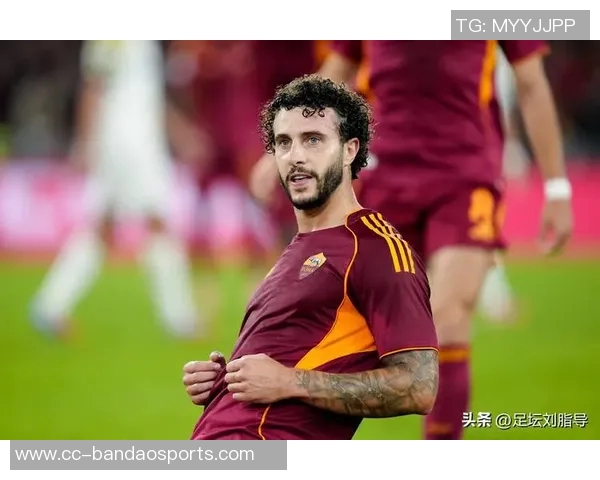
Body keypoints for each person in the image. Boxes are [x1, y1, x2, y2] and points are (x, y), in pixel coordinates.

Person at [249, 40, 573, 440]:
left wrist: (557, 187)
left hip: (465, 175)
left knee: (448, 315)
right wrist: (278, 152)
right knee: (347, 322)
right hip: (386, 177)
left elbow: (531, 82)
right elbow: (337, 71)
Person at [182, 74, 439, 440]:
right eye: (283, 143)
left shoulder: (376, 249)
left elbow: (419, 386)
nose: (296, 156)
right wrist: (225, 383)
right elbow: (292, 363)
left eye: (313, 140)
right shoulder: (297, 249)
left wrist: (290, 381)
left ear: (350, 150)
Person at [30, 40, 202, 339]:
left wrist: (181, 133)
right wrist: (85, 143)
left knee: (102, 227)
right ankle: (180, 319)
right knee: (158, 222)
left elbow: (146, 98)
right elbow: (93, 86)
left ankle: (49, 307)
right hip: (128, 146)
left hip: (130, 143)